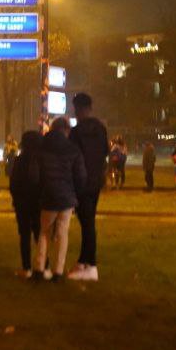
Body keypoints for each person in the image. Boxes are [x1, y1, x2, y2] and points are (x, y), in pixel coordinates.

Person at [31, 117, 87, 282]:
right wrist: (76, 193)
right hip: (67, 197)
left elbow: (34, 175)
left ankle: (39, 269)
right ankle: (58, 271)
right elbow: (81, 176)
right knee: (63, 233)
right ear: (66, 130)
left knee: (44, 232)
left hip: (48, 195)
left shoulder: (41, 147)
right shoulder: (73, 149)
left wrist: (39, 190)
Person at [68, 92, 108, 282]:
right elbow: (104, 153)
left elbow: (72, 158)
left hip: (81, 183)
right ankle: (84, 261)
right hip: (96, 182)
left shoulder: (76, 133)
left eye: (76, 109)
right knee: (88, 221)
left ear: (79, 109)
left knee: (87, 223)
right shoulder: (100, 128)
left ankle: (90, 265)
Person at [9, 130, 43, 276]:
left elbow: (14, 184)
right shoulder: (43, 160)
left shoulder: (20, 160)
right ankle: (44, 266)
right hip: (39, 203)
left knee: (24, 235)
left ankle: (26, 267)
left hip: (23, 203)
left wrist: (16, 198)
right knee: (40, 235)